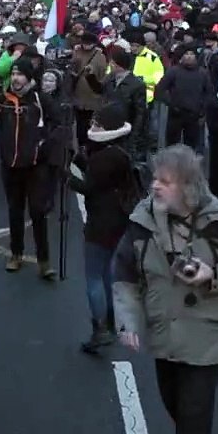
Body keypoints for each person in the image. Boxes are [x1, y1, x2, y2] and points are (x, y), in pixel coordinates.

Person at [111, 145, 218, 434]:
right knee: (175, 406)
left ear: (188, 186)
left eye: (165, 181)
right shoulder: (142, 221)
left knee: (193, 415)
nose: (154, 185)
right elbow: (124, 271)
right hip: (163, 333)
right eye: (155, 178)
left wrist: (213, 275)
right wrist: (127, 319)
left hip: (206, 337)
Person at [69, 103, 136, 354]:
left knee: (93, 276)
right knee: (108, 272)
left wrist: (66, 177)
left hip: (101, 222)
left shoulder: (105, 157)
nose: (92, 126)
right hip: (119, 220)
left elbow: (89, 186)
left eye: (97, 123)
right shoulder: (119, 152)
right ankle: (110, 319)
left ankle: (100, 329)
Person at [0, 59, 60, 278]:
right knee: (15, 211)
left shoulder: (42, 99)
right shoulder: (4, 99)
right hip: (10, 166)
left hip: (35, 166)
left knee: (38, 212)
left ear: (30, 78)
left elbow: (60, 124)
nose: (15, 78)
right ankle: (16, 254)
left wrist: (45, 146)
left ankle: (44, 261)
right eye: (13, 74)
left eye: (20, 74)